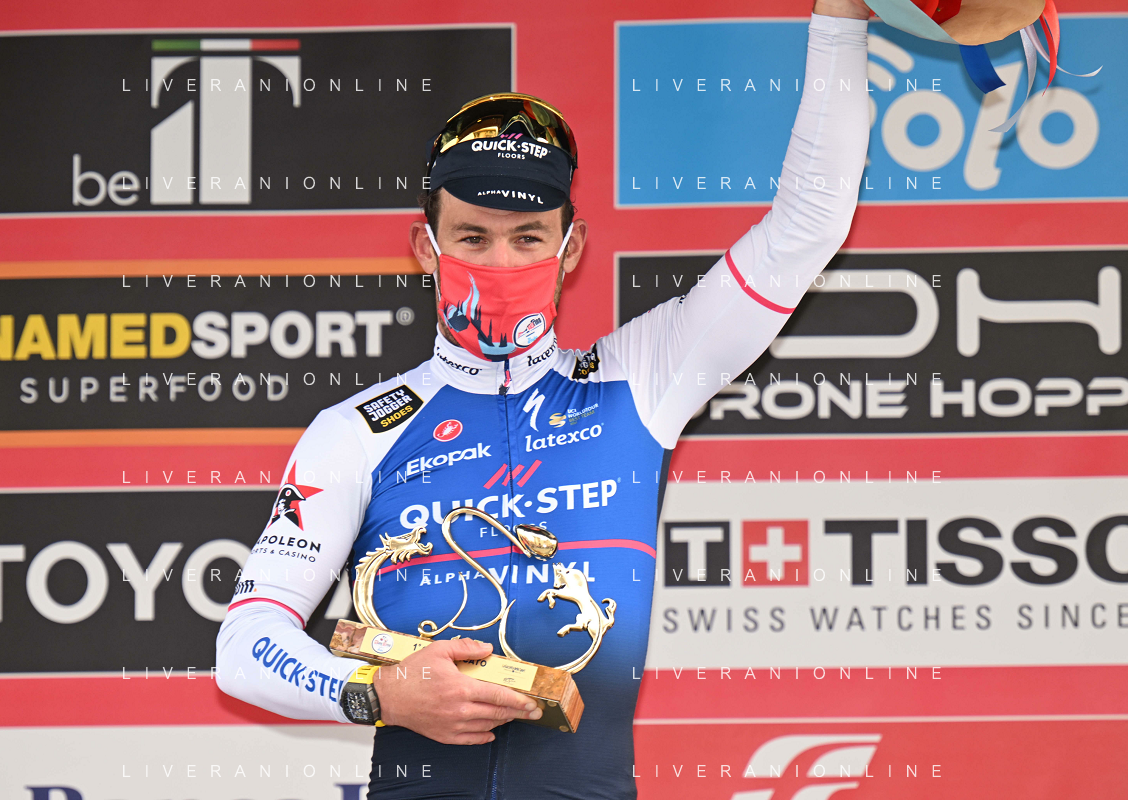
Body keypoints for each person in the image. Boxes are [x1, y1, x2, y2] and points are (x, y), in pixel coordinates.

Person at [216, 1, 872, 797]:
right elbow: (245, 643)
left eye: (527, 237)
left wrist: (841, 20)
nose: (501, 263)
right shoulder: (356, 431)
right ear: (426, 247)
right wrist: (377, 693)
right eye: (472, 237)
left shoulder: (643, 377)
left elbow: (808, 224)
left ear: (571, 249)